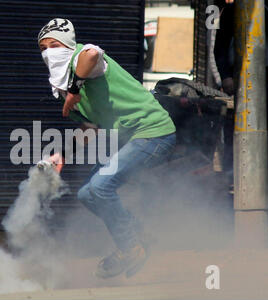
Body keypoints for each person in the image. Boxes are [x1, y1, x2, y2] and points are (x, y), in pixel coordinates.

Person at [37, 18, 177, 278]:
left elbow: (92, 53)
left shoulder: (84, 58)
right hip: (128, 139)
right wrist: (62, 156)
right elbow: (91, 128)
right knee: (87, 194)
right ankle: (139, 237)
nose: (48, 52)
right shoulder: (65, 87)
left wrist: (75, 88)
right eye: (43, 48)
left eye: (54, 44)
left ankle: (131, 248)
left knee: (101, 187)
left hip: (153, 133)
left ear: (67, 44)